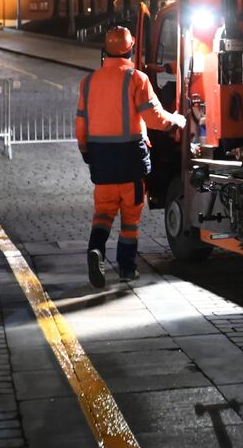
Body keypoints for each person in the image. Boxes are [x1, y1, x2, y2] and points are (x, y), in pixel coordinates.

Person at [75, 25, 185, 286]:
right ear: (131, 48)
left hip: (101, 160)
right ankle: (126, 267)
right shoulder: (137, 79)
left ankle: (96, 250)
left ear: (105, 49)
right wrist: (176, 121)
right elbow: (154, 118)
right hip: (130, 161)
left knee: (103, 211)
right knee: (130, 216)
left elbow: (81, 124)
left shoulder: (88, 82)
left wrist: (85, 150)